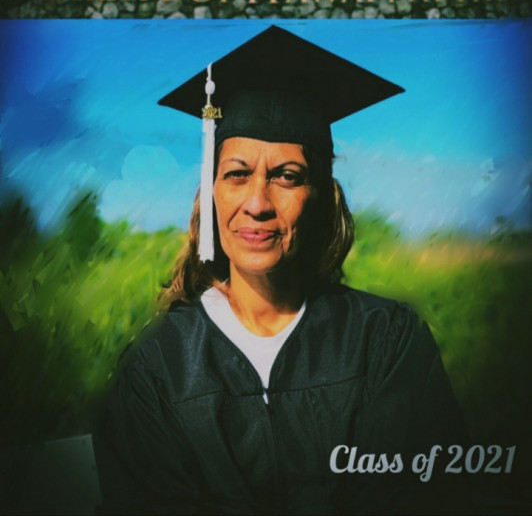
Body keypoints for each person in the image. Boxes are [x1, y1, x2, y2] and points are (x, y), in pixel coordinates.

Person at [93, 26, 470, 515]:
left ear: (320, 197)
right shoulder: (158, 368)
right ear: (211, 192)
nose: (257, 203)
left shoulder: (387, 343)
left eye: (287, 177)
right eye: (237, 174)